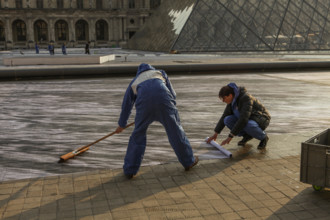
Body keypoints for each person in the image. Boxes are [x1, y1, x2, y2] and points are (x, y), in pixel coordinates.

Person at [115, 63, 198, 179]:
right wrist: (170, 108)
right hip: (165, 102)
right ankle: (189, 161)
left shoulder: (134, 82)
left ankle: (130, 170)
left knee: (138, 135)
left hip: (144, 108)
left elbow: (126, 105)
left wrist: (122, 124)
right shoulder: (160, 73)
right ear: (151, 69)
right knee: (176, 132)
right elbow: (173, 94)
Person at [207, 82, 271, 150]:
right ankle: (247, 135)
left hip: (261, 118)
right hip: (249, 119)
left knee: (247, 124)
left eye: (224, 98)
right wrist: (215, 134)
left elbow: (243, 119)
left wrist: (230, 137)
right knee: (227, 120)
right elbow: (224, 116)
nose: (223, 101)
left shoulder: (245, 98)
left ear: (230, 95)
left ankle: (264, 138)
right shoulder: (232, 102)